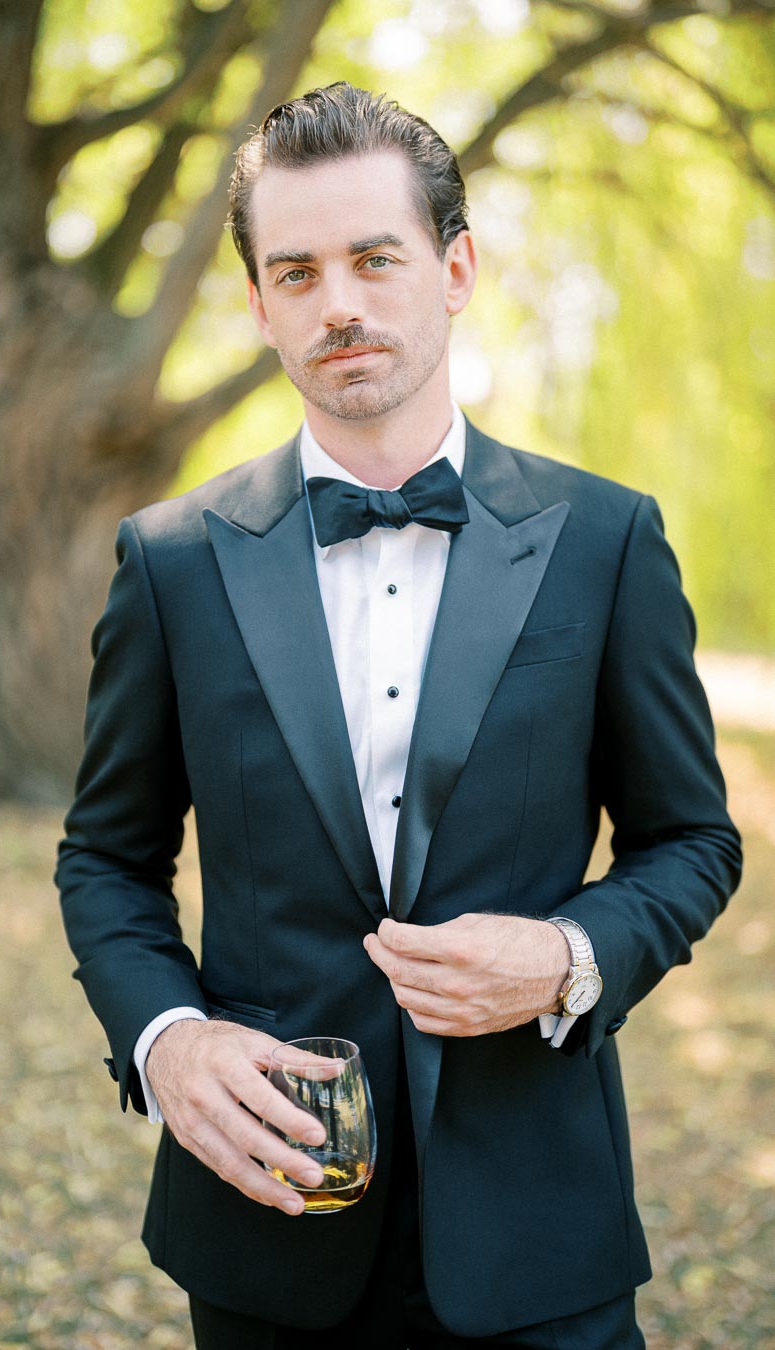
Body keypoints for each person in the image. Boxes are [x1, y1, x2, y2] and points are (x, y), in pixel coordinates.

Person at [56, 83, 741, 1348]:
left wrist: (569, 956)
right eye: (297, 272)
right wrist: (169, 1041)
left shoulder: (606, 541)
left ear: (456, 268)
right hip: (268, 1214)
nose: (340, 304)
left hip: (542, 1219)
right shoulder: (170, 561)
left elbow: (693, 841)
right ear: (258, 305)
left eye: (375, 258)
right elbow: (106, 856)